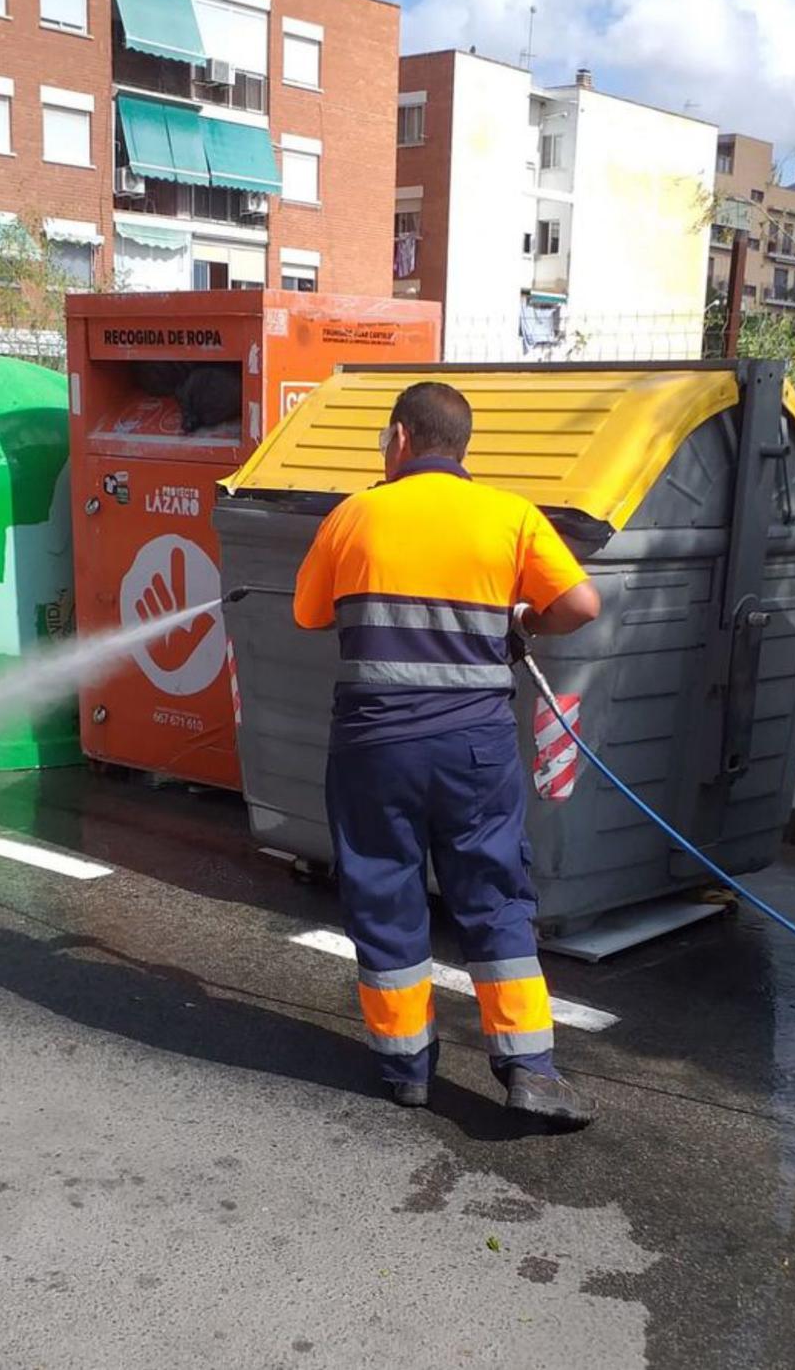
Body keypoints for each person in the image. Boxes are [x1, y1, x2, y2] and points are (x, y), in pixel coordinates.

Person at [293, 381, 601, 1125]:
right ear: (460, 445)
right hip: (474, 747)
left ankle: (407, 1069)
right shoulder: (509, 515)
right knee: (493, 893)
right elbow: (583, 605)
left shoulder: (356, 514)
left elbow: (307, 614)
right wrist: (523, 615)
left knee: (384, 889)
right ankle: (529, 1068)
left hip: (376, 747)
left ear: (399, 438)